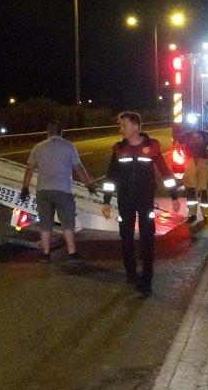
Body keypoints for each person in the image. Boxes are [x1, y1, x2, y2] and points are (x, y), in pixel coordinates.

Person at [101, 112, 180, 295]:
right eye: (120, 126)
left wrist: (174, 197)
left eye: (124, 125)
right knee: (126, 237)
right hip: (125, 200)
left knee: (147, 238)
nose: (121, 129)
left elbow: (166, 173)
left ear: (136, 126)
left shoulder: (152, 147)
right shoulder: (119, 149)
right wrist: (106, 201)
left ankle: (146, 280)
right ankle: (131, 273)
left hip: (145, 200)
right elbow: (111, 176)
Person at [20, 120, 96, 262]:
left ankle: (46, 254)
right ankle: (72, 254)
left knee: (45, 224)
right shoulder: (69, 147)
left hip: (43, 191)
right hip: (63, 191)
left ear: (47, 132)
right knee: (67, 223)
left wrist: (25, 188)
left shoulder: (38, 147)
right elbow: (78, 168)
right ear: (62, 132)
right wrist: (89, 184)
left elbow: (29, 169)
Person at [176, 116, 208, 221]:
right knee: (191, 189)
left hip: (204, 163)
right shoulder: (185, 136)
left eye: (196, 123)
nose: (194, 126)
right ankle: (192, 214)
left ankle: (206, 214)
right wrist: (183, 156)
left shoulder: (206, 135)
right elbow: (177, 146)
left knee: (204, 189)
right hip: (190, 164)